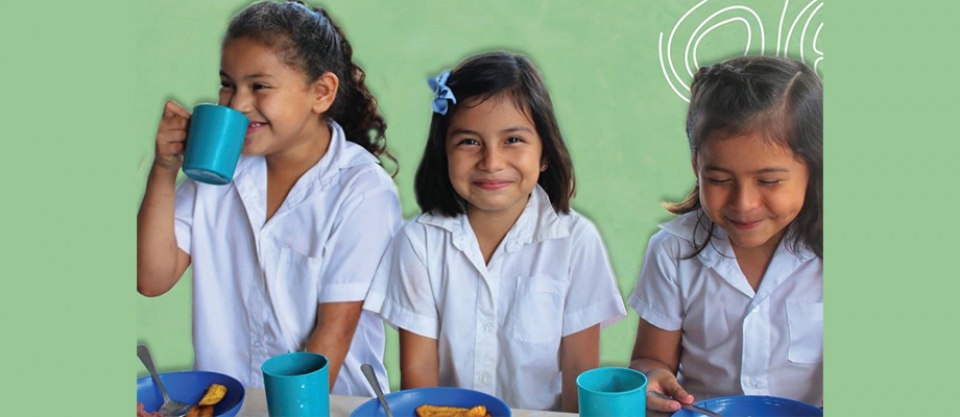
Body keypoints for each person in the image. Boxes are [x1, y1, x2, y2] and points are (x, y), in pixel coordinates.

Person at [136, 0, 401, 396]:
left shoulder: (362, 191)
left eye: (259, 86)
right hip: (230, 403)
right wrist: (163, 168)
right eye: (228, 84)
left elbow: (331, 335)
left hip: (323, 405)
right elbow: (152, 278)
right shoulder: (219, 169)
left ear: (321, 92)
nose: (238, 105)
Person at [363, 51, 627, 412]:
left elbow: (578, 375)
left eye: (513, 140)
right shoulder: (418, 243)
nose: (491, 162)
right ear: (444, 152)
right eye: (469, 141)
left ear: (544, 154)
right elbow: (420, 373)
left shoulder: (576, 242)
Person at [628, 55, 823, 412]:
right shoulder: (673, 251)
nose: (744, 203)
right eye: (719, 179)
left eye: (769, 181)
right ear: (696, 166)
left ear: (814, 167)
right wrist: (651, 379)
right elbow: (650, 361)